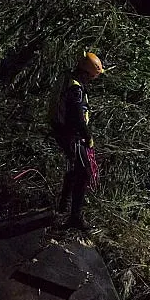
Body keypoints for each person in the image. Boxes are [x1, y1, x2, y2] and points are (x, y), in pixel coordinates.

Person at [48, 52, 104, 230]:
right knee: (85, 173)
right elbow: (78, 117)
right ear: (86, 73)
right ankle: (75, 217)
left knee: (74, 169)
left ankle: (63, 207)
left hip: (64, 132)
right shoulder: (76, 89)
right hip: (72, 135)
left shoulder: (69, 80)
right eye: (92, 76)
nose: (92, 80)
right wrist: (88, 136)